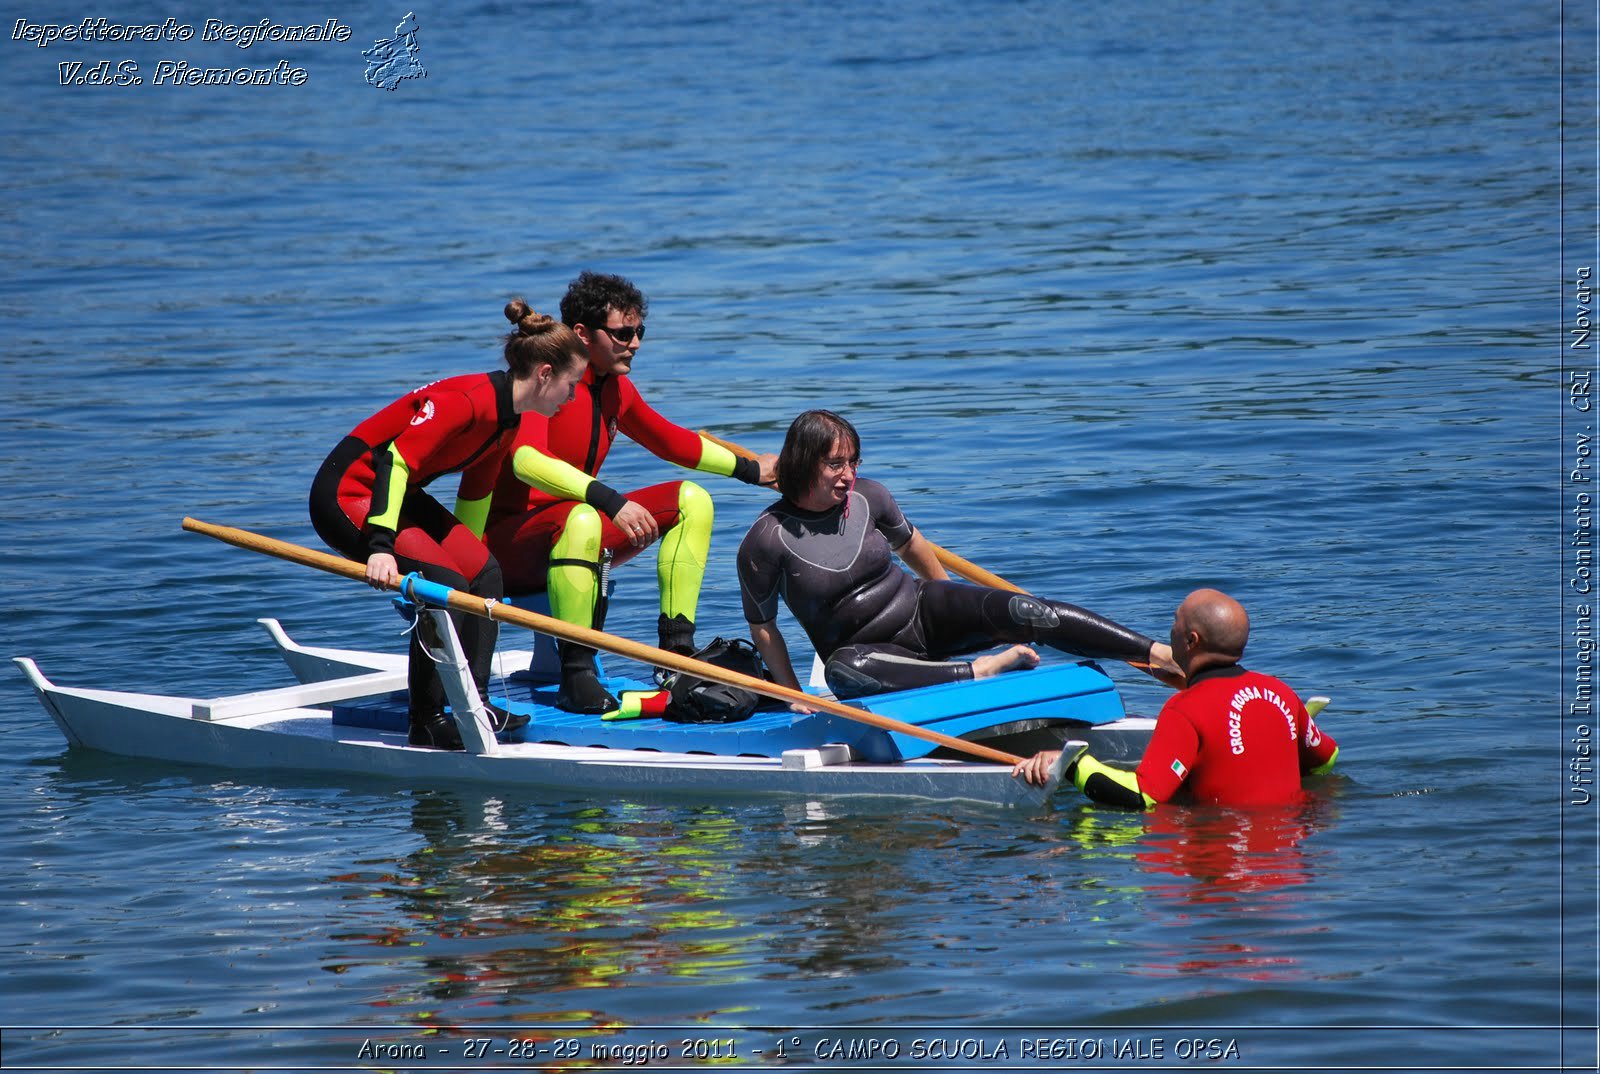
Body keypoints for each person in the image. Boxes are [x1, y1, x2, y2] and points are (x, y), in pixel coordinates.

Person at [735, 409, 1181, 701]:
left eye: (855, 462)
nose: (849, 475)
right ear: (803, 465)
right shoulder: (766, 540)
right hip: (869, 654)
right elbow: (764, 627)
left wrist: (956, 610)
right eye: (836, 464)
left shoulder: (871, 496)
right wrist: (796, 697)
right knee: (842, 671)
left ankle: (1155, 653)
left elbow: (913, 546)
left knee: (1029, 611)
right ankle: (979, 672)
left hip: (922, 613)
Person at [484, 271, 777, 714]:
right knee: (582, 518)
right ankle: (575, 675)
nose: (635, 343)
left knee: (691, 500)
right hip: (509, 549)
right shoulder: (543, 381)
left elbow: (671, 440)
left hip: (574, 533)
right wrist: (610, 500)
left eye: (639, 332)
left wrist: (752, 470)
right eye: (623, 333)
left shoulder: (616, 389)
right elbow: (526, 461)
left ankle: (675, 656)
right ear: (582, 334)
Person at [310, 300, 589, 749]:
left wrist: (470, 559)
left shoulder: (509, 418)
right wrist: (381, 547)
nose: (572, 397)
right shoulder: (467, 401)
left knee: (483, 575)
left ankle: (472, 706)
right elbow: (395, 461)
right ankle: (426, 722)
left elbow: (476, 494)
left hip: (398, 496)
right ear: (544, 375)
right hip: (348, 492)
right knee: (444, 585)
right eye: (571, 385)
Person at [1013, 588, 1339, 807]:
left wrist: (1072, 764)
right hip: (1290, 855)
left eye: (1175, 620)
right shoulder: (1280, 692)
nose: (1171, 627)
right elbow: (1326, 758)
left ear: (1190, 640)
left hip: (1216, 849)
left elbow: (1143, 795)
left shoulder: (1185, 710)